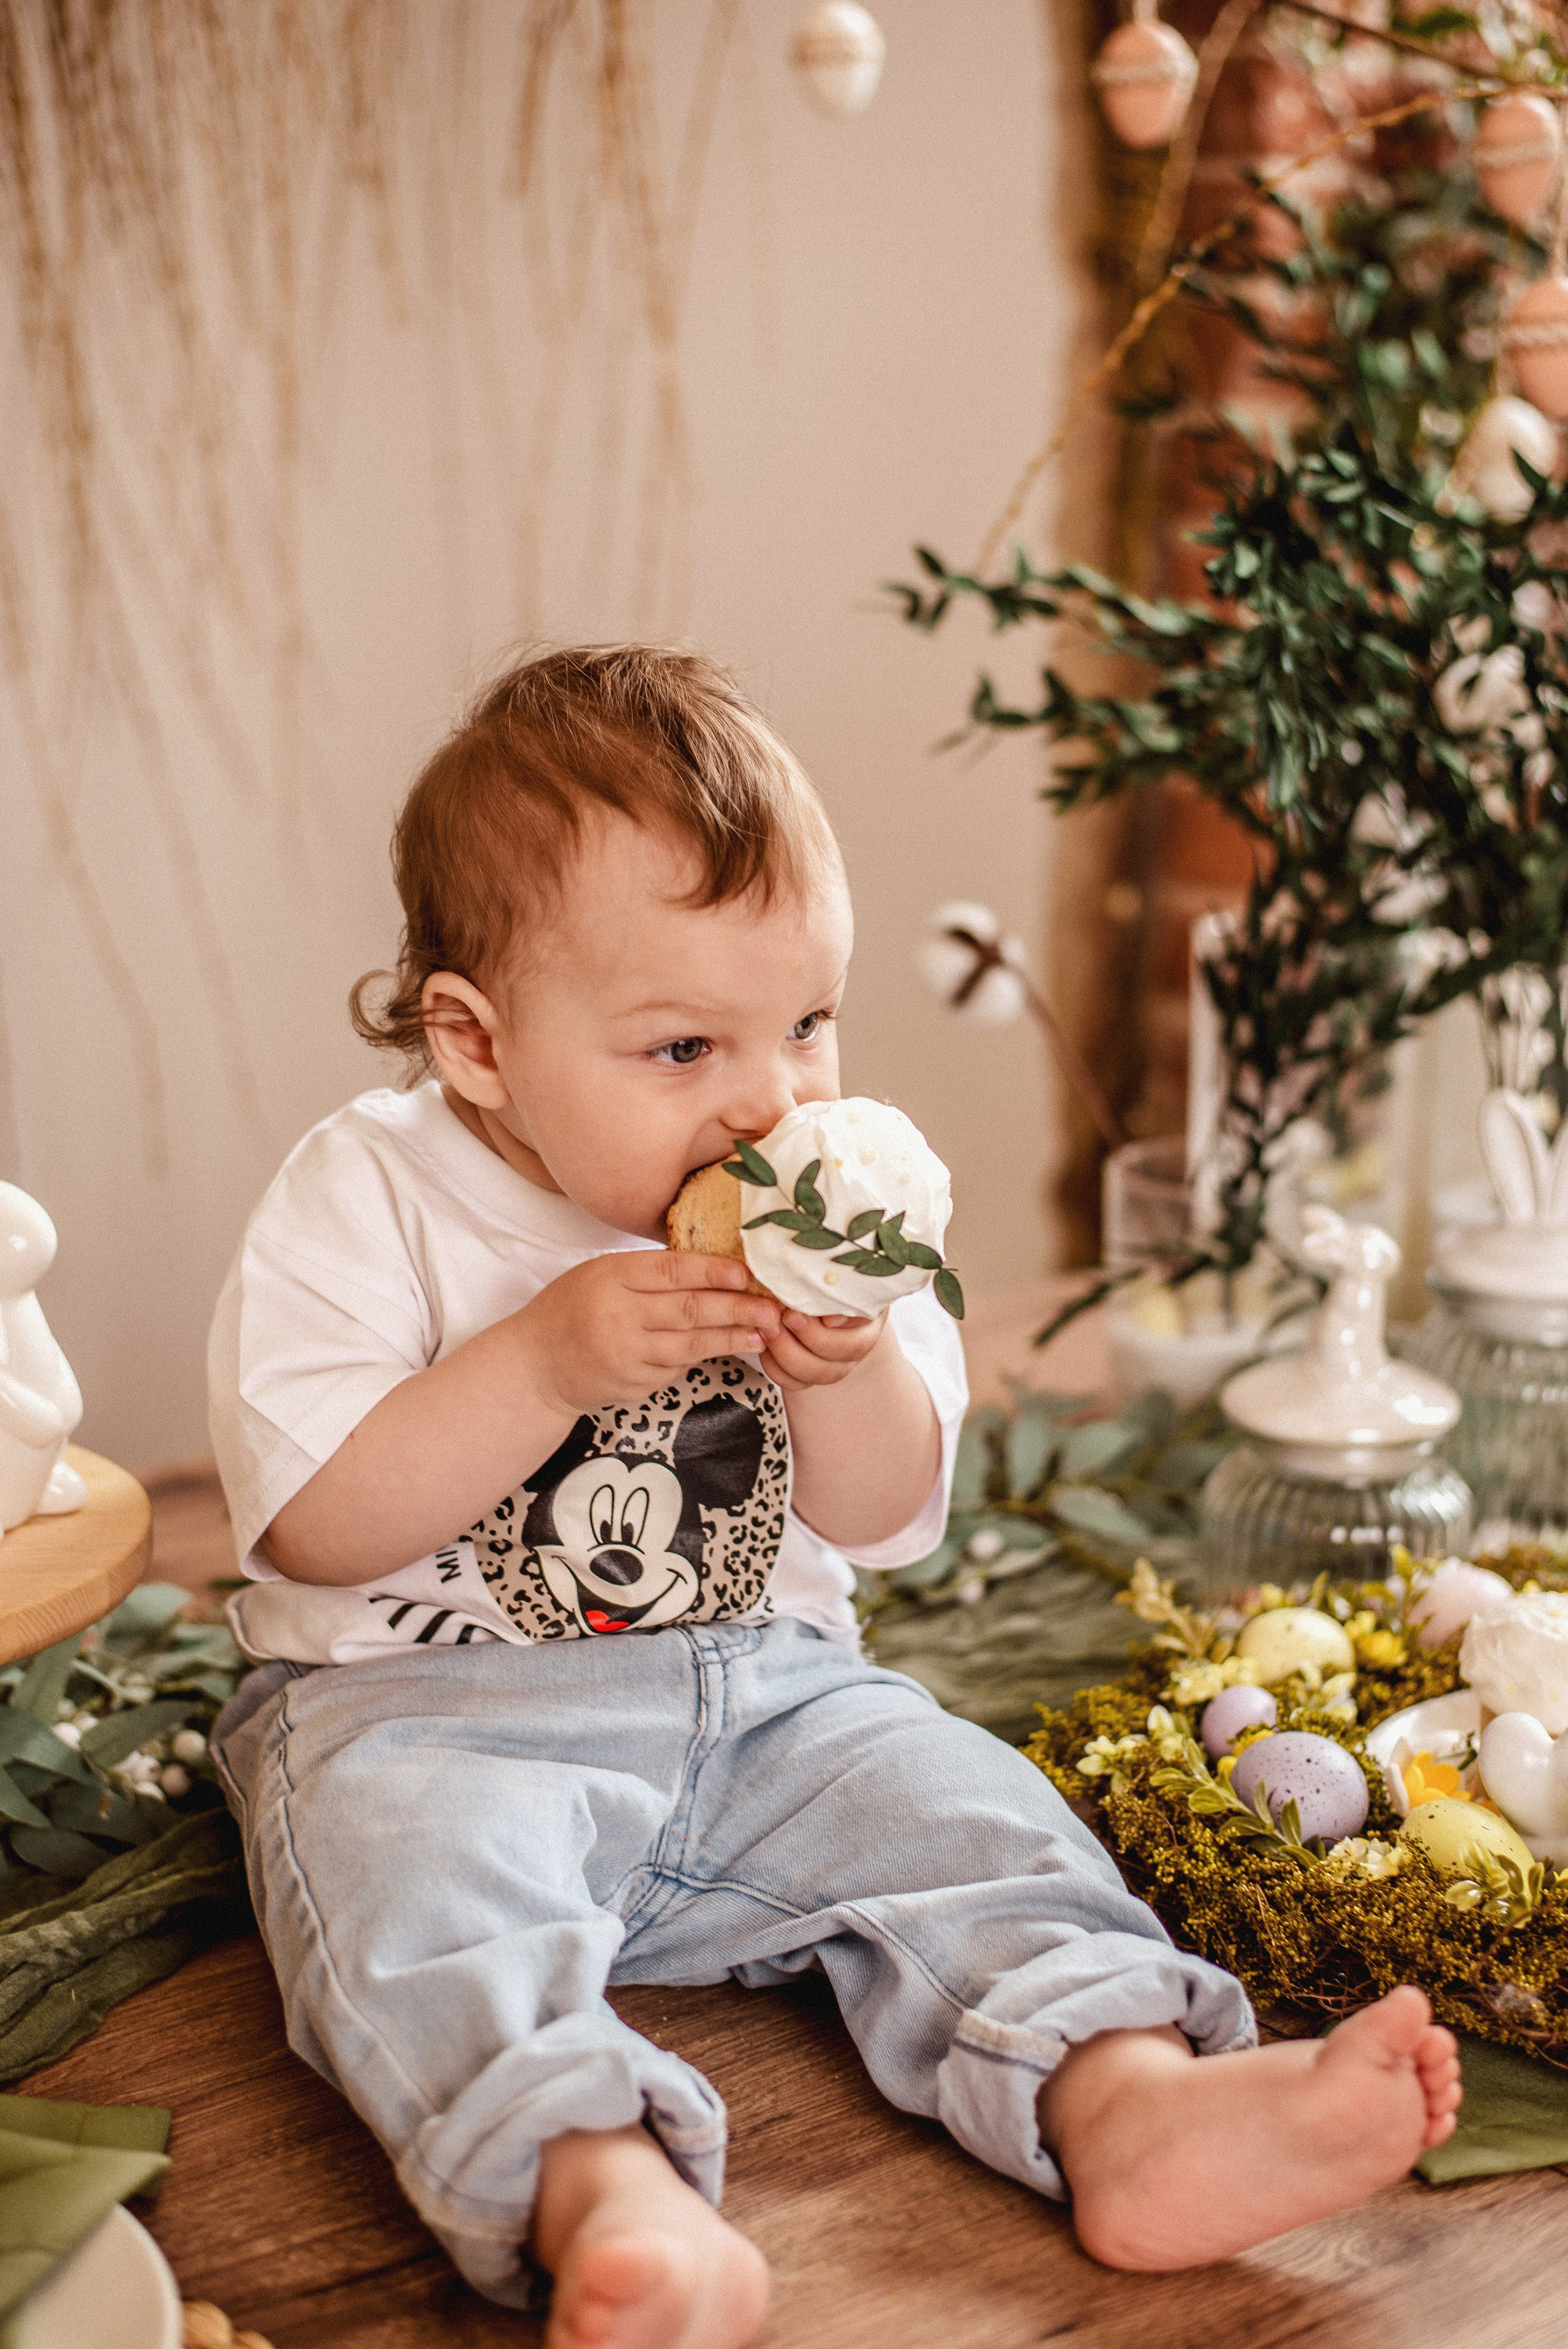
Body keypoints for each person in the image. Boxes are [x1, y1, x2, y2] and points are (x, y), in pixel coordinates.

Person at [208, 646, 1461, 2349]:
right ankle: (606, 2190)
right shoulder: (369, 1198)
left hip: (767, 1699)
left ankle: (1128, 2096)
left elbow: (885, 1519)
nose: (771, 1096)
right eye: (681, 1044)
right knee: (412, 1908)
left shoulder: (832, 1207)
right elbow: (311, 1524)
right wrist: (539, 1366)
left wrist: (851, 1366)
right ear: (477, 1042)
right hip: (430, 1713)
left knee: (973, 1814)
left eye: (805, 1021)